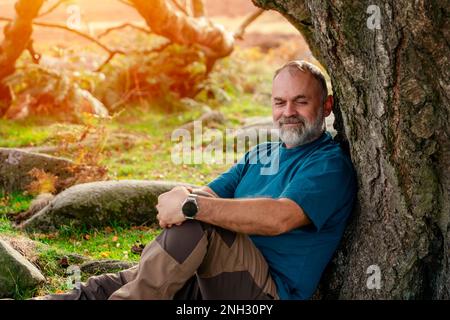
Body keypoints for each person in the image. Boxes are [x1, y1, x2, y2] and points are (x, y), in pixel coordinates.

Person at [40, 60, 356, 300]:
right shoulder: (261, 154)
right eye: (279, 102)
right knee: (120, 282)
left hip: (264, 292)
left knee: (196, 219)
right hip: (213, 273)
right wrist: (182, 193)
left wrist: (190, 205)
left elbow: (280, 218)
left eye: (300, 101)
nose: (288, 112)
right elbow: (207, 193)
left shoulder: (327, 164)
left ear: (326, 107)